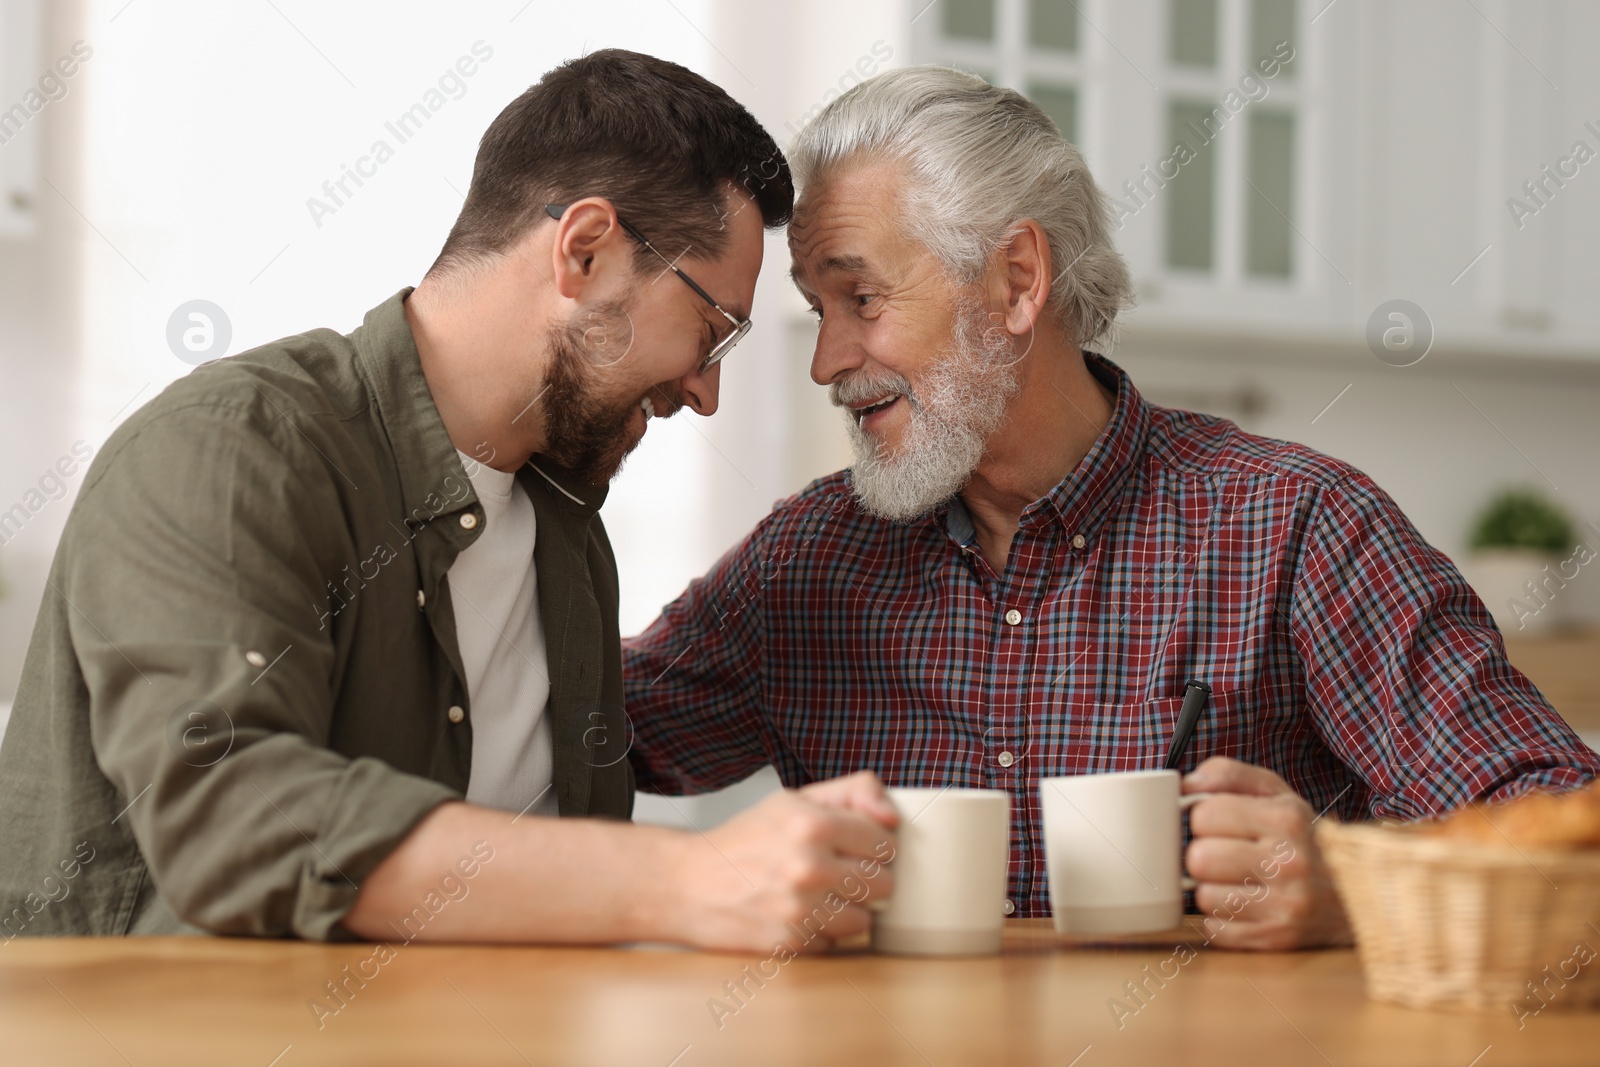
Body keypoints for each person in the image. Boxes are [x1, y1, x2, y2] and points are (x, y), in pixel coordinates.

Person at [621, 65, 1600, 950]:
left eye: (861, 300)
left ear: (1015, 280)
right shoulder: (810, 558)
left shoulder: (1299, 527)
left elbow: (1567, 825)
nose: (826, 361)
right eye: (816, 309)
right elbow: (573, 737)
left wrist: (1349, 887)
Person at [0, 49, 896, 951]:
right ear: (583, 251)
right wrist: (686, 879)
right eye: (711, 332)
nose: (704, 392)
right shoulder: (234, 447)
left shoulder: (567, 536)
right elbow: (230, 812)